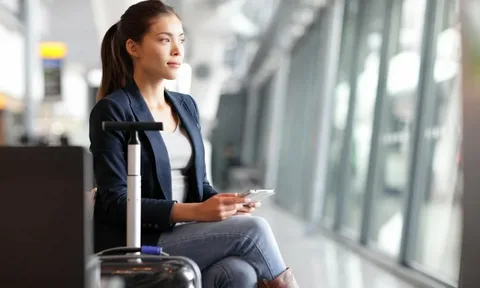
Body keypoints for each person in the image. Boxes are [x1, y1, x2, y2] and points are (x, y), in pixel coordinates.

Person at [89, 1, 299, 287]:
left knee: (239, 272)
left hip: (185, 232)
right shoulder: (113, 110)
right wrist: (197, 212)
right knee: (254, 231)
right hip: (140, 240)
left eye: (181, 40)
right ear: (133, 48)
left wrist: (225, 203)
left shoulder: (186, 106)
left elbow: (198, 186)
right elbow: (115, 204)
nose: (177, 50)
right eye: (165, 40)